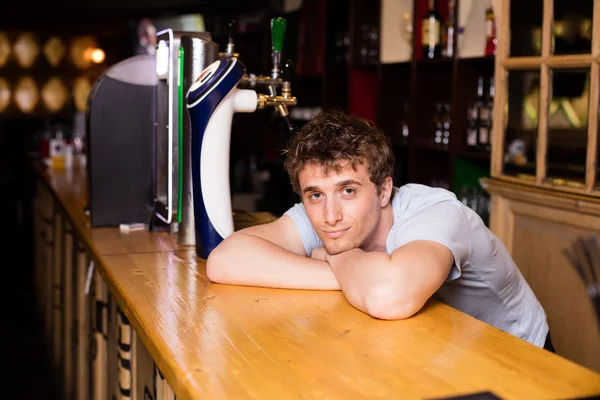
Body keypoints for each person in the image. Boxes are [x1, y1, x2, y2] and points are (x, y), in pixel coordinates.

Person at [207, 110, 551, 350]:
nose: (330, 215)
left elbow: (389, 296)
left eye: (348, 190)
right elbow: (224, 260)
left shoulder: (435, 212)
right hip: (440, 348)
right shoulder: (332, 215)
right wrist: (349, 275)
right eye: (315, 194)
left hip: (518, 354)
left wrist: (336, 257)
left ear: (384, 190)